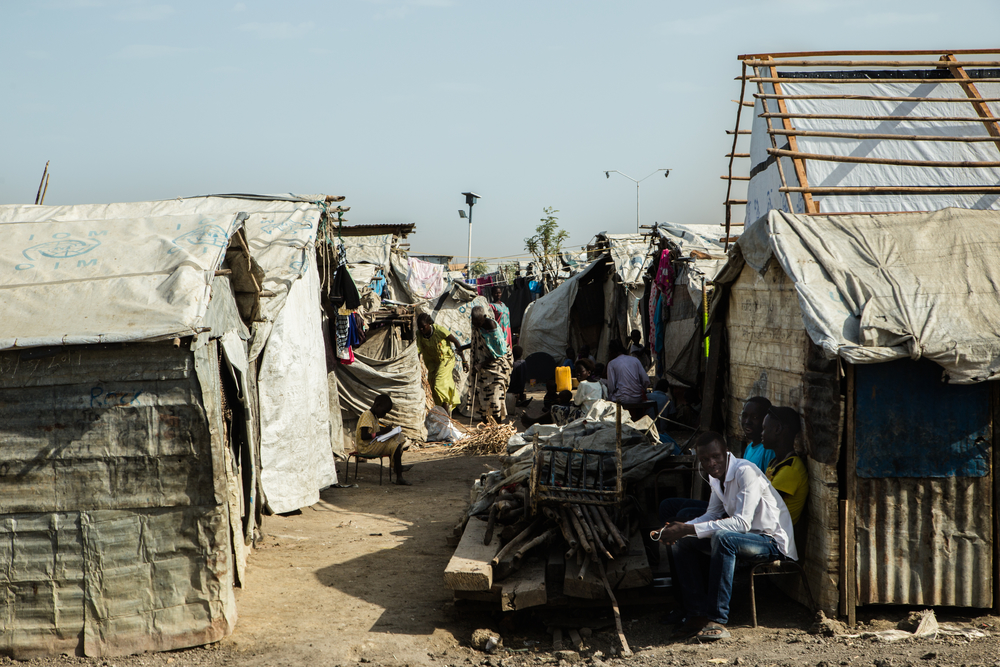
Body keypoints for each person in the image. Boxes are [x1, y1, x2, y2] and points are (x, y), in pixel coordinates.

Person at [654, 431, 796, 641]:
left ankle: (717, 620)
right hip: (746, 537)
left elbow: (742, 523)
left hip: (770, 541)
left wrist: (688, 528)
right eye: (704, 459)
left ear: (726, 453)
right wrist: (680, 529)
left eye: (716, 457)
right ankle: (697, 613)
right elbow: (711, 513)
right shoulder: (715, 476)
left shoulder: (745, 471)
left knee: (723, 537)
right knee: (681, 542)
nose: (711, 463)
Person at [761, 406, 809, 525]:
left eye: (764, 428)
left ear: (777, 429)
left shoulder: (790, 469)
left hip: (774, 537)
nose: (761, 433)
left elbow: (763, 506)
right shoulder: (775, 463)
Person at [416, 312, 468, 414]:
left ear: (429, 324)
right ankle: (443, 414)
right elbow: (418, 351)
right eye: (419, 328)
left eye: (424, 327)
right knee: (434, 389)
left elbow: (456, 342)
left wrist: (464, 361)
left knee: (439, 384)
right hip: (432, 363)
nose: (421, 330)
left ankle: (446, 414)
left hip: (446, 360)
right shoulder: (419, 334)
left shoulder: (439, 330)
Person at [468, 305, 513, 422]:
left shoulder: (490, 325)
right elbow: (477, 343)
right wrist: (462, 347)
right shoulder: (476, 325)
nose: (476, 323)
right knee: (482, 395)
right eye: (474, 321)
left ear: (484, 317)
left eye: (478, 321)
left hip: (497, 364)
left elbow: (499, 352)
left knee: (495, 396)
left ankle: (497, 424)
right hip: (484, 365)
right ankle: (487, 424)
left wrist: (481, 365)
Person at [356, 394, 411, 485]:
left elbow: (374, 433)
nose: (384, 415)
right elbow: (364, 436)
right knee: (395, 443)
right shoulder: (367, 415)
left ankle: (398, 473)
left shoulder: (374, 417)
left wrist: (386, 432)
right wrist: (381, 433)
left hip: (373, 445)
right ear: (377, 405)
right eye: (384, 411)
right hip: (366, 448)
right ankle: (398, 470)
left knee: (397, 439)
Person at [606, 340, 650, 404]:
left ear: (611, 351)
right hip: (637, 397)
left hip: (621, 398)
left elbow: (611, 387)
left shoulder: (611, 363)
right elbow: (646, 380)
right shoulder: (635, 360)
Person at [740, 396, 775, 472]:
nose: (747, 421)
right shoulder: (749, 448)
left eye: (754, 417)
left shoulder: (768, 450)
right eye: (744, 416)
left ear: (766, 420)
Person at [489, 286, 513, 350]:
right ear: (492, 294)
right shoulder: (491, 306)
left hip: (507, 331)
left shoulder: (503, 304)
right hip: (499, 331)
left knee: (508, 350)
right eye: (496, 293)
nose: (498, 295)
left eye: (499, 293)